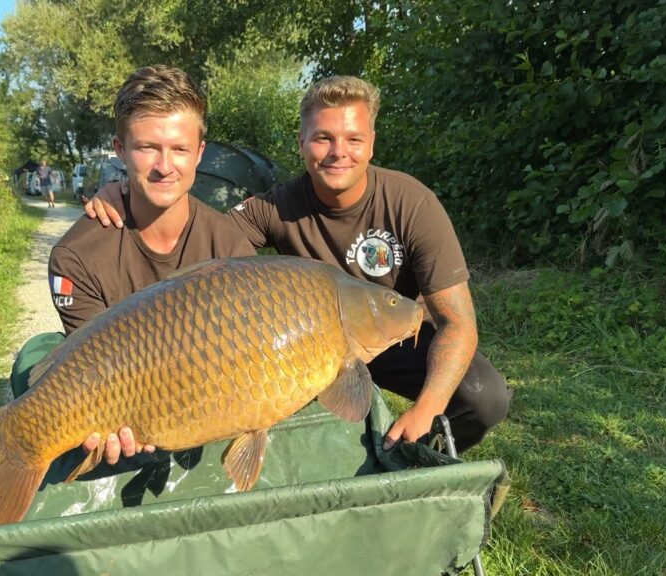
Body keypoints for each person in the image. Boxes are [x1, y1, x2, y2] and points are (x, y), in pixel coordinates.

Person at [87, 75, 511, 455]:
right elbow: (198, 237)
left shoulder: (412, 204)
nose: (337, 152)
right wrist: (125, 192)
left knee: (483, 398)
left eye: (353, 139)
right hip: (309, 349)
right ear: (302, 142)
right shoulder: (275, 207)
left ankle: (422, 458)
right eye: (322, 138)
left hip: (393, 335)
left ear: (372, 143)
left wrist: (427, 409)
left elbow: (458, 322)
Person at [21, 65, 256, 463]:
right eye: (147, 148)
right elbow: (92, 370)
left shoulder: (229, 243)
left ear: (200, 152)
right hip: (126, 401)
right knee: (34, 370)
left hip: (206, 402)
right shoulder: (76, 255)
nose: (164, 166)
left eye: (179, 149)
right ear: (120, 149)